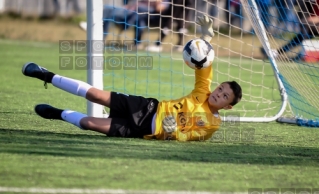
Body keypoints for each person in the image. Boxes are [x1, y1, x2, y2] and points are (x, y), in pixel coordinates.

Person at [22, 15, 242, 141]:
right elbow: (204, 64)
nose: (218, 93)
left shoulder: (213, 124)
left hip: (144, 131)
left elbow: (191, 137)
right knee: (95, 94)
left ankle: (57, 114)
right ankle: (45, 74)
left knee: (90, 123)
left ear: (228, 106)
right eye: (220, 88)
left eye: (224, 96)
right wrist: (205, 38)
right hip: (147, 107)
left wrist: (172, 130)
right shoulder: (203, 92)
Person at [79, 0, 170, 48]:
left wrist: (157, 1)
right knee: (108, 9)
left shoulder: (165, 1)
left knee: (140, 10)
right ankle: (94, 28)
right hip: (130, 11)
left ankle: (126, 24)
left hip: (144, 14)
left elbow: (160, 9)